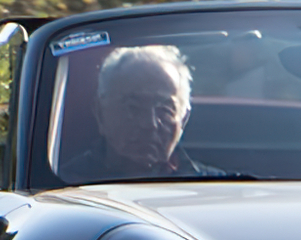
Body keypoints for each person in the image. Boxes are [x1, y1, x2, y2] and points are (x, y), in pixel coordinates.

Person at [61, 44, 223, 180]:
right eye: (132, 107)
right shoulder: (64, 186)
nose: (149, 124)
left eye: (164, 110)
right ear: (100, 112)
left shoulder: (213, 187)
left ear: (184, 119)